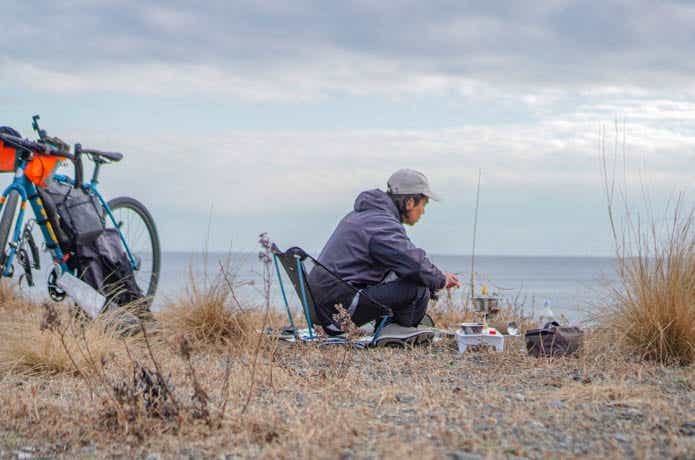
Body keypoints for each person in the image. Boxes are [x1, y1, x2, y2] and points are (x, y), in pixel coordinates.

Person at [308, 168, 461, 335]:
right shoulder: (380, 223)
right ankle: (395, 332)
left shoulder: (365, 216)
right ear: (410, 202)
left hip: (326, 304)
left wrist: (432, 279)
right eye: (423, 204)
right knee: (418, 288)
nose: (423, 211)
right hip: (338, 311)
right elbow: (414, 264)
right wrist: (440, 280)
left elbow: (403, 263)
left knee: (407, 276)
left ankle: (391, 326)